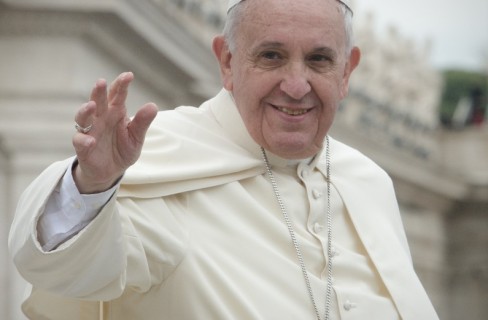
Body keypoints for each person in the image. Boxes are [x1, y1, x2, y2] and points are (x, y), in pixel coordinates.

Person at [8, 0, 439, 319]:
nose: (295, 84)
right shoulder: (156, 160)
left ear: (347, 72)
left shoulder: (369, 181)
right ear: (227, 61)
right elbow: (61, 268)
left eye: (319, 60)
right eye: (271, 55)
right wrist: (93, 184)